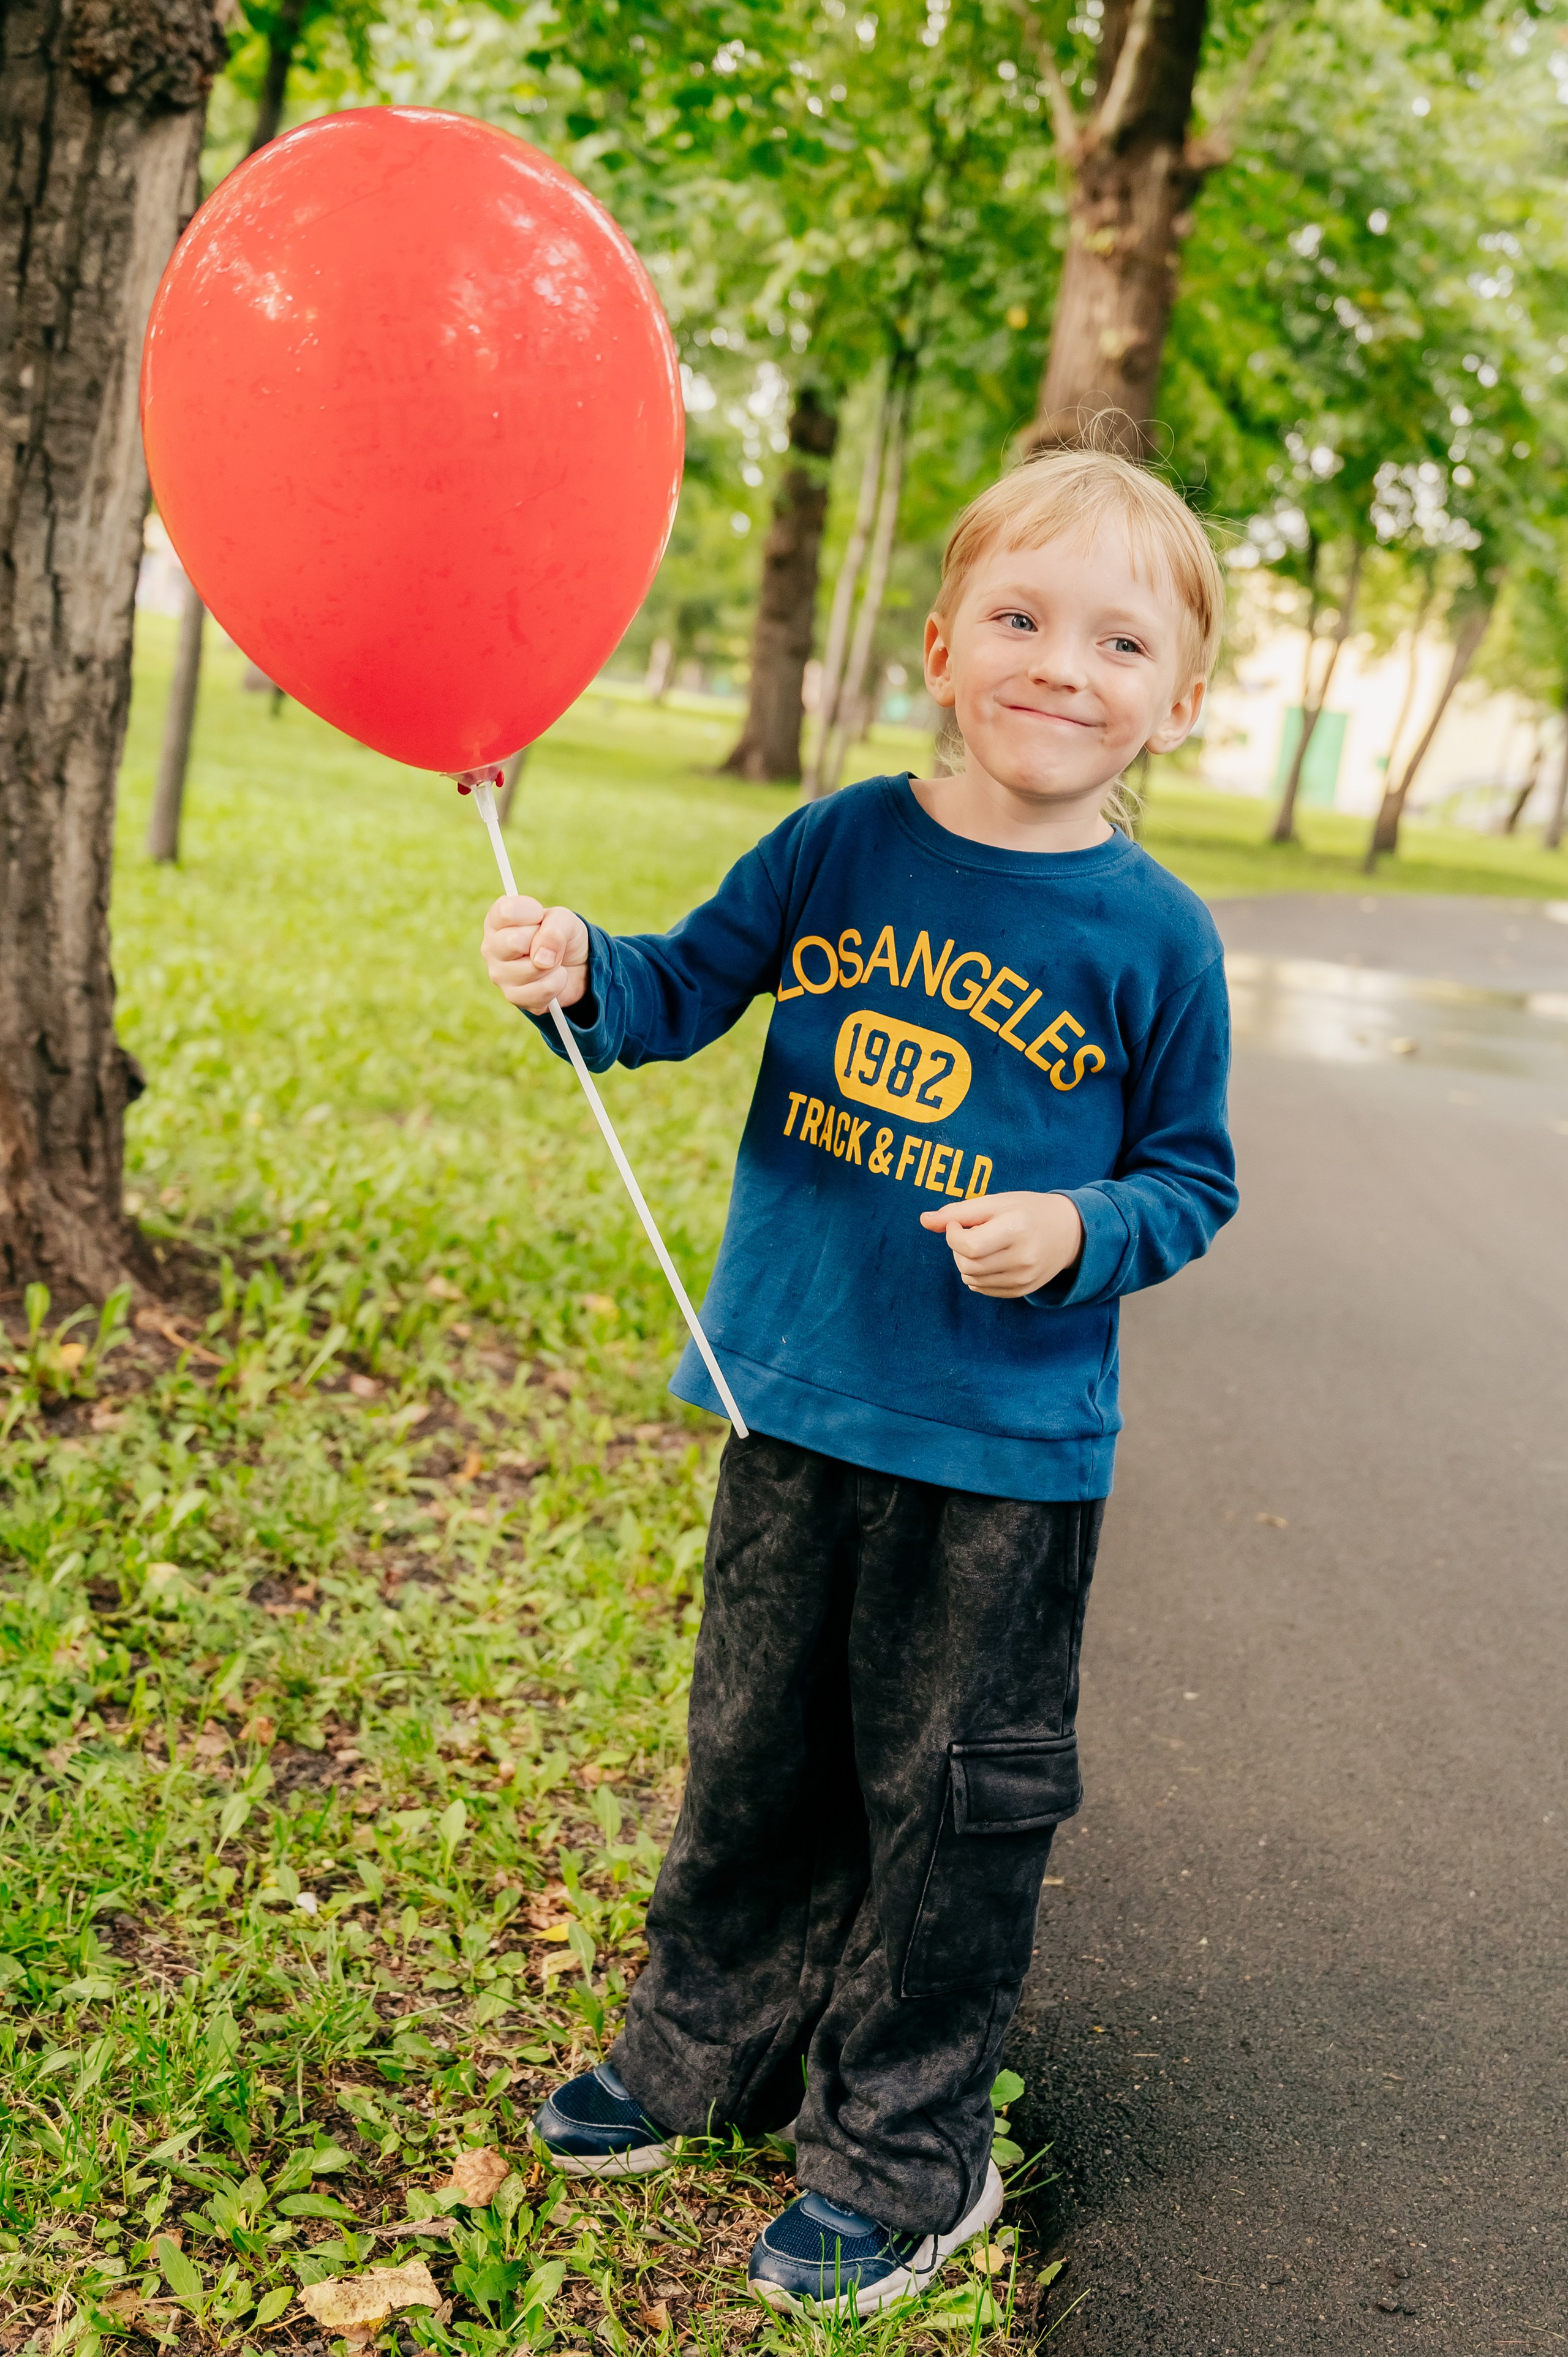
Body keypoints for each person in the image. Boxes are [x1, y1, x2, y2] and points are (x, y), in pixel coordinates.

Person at [480, 447, 1238, 2318]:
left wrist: (1077, 1227)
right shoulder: (839, 844)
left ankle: (908, 2149)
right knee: (756, 1754)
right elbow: (678, 988)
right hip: (791, 1404)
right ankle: (701, 2053)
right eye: (1023, 619)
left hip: (1002, 1454)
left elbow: (1191, 1178)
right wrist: (581, 965)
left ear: (1182, 702)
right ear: (942, 644)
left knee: (949, 1804)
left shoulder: (1156, 938)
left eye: (1121, 640)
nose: (1066, 666)